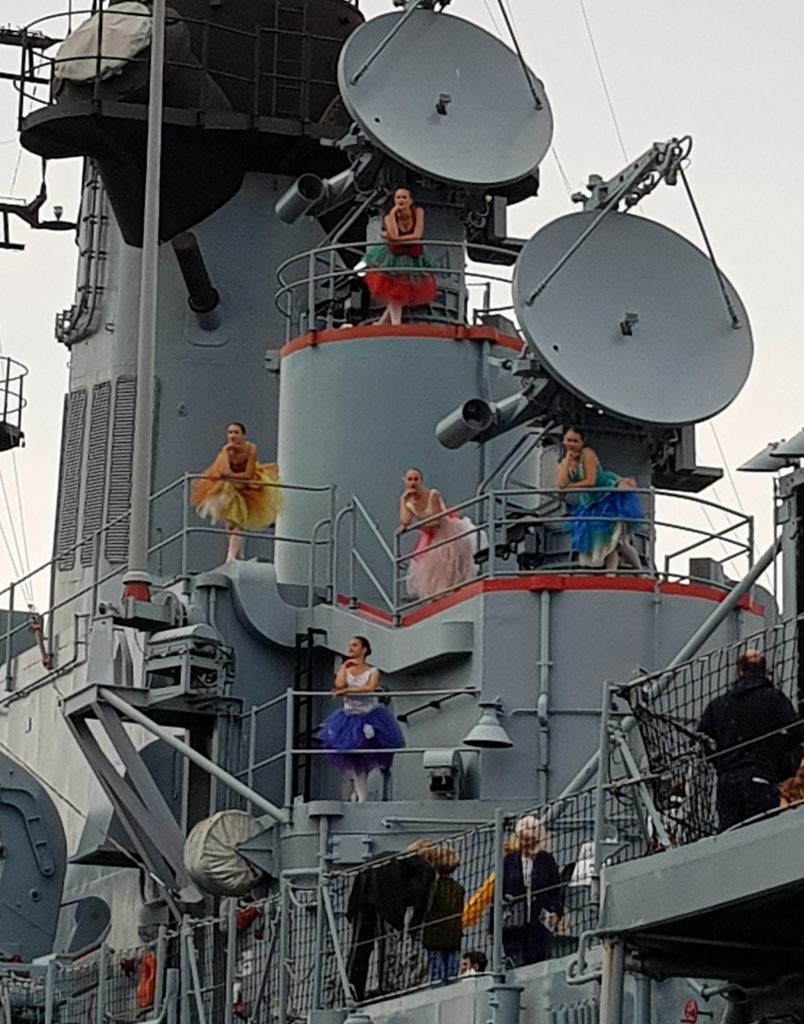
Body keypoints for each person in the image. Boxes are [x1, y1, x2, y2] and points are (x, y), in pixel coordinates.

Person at [698, 649, 804, 830]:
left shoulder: (717, 706)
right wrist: (785, 758)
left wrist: (722, 763)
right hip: (761, 779)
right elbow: (798, 733)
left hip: (727, 784)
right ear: (764, 671)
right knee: (760, 838)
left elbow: (701, 742)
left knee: (729, 840)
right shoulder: (773, 699)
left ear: (739, 671)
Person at [320, 636, 405, 803]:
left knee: (362, 759)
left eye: (355, 645)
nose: (350, 648)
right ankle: (359, 794)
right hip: (348, 719)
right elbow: (339, 685)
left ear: (364, 649)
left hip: (368, 717)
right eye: (350, 645)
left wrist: (347, 691)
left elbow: (369, 688)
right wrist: (344, 666)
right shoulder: (346, 669)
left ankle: (360, 794)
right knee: (355, 760)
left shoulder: (372, 671)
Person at [190, 422, 282, 563]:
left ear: (243, 435)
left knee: (237, 522)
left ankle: (233, 555)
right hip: (229, 488)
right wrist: (234, 478)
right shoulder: (225, 451)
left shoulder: (251, 449)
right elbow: (223, 472)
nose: (232, 435)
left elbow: (248, 473)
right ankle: (233, 554)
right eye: (230, 432)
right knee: (233, 521)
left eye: (236, 432)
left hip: (248, 485)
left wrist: (235, 478)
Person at [556, 426, 642, 572]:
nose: (571, 444)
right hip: (591, 503)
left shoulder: (588, 454)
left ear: (582, 443)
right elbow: (561, 484)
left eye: (575, 441)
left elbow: (591, 481)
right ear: (563, 441)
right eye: (568, 440)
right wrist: (567, 461)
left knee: (618, 542)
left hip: (609, 495)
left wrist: (572, 487)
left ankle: (639, 571)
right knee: (603, 542)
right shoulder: (564, 462)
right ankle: (611, 574)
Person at [397, 468, 475, 600]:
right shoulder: (409, 502)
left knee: (447, 566)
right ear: (404, 480)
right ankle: (437, 597)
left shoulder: (433, 495)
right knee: (431, 571)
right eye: (409, 479)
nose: (413, 483)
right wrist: (402, 500)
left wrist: (420, 526)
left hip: (447, 534)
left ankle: (447, 595)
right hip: (431, 537)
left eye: (416, 479)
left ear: (421, 481)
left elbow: (436, 521)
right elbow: (404, 521)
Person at [364, 187, 437, 326]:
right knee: (396, 290)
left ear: (410, 200)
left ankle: (383, 321)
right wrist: (392, 214)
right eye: (398, 198)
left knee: (399, 289)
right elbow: (395, 235)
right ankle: (394, 323)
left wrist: (393, 238)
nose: (401, 201)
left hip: (413, 255)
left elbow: (416, 235)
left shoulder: (418, 212)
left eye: (404, 197)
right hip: (393, 256)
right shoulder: (389, 216)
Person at [499, 815, 563, 968]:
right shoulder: (509, 861)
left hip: (539, 923)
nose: (525, 843)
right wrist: (494, 926)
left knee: (537, 960)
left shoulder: (547, 860)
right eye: (522, 838)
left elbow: (556, 890)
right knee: (514, 961)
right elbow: (499, 892)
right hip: (513, 923)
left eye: (529, 839)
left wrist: (557, 913)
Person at [419, 845, 465, 984]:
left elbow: (427, 908)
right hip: (453, 936)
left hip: (434, 936)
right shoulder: (459, 888)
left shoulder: (432, 886)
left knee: (436, 974)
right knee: (452, 974)